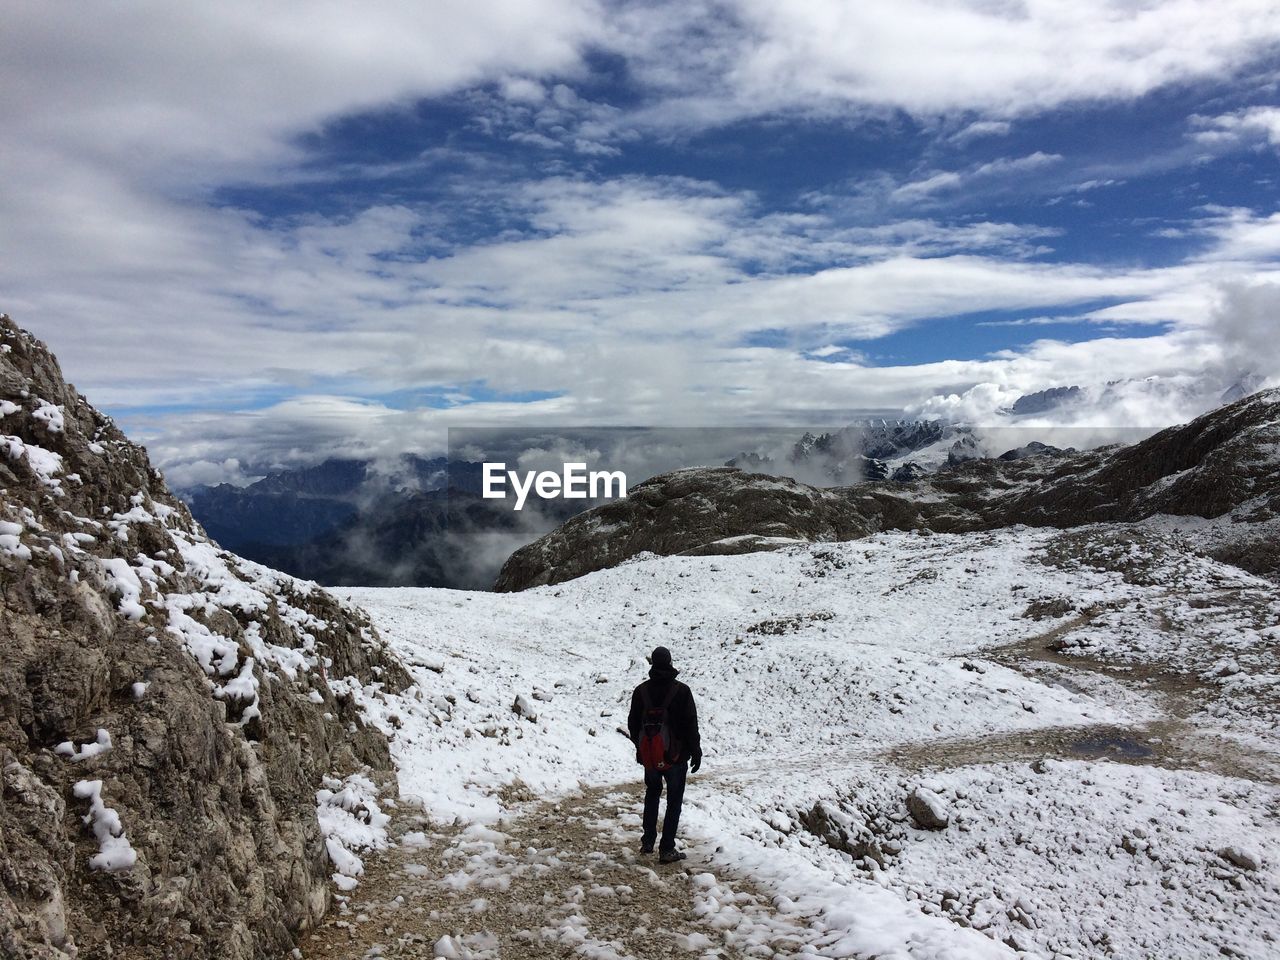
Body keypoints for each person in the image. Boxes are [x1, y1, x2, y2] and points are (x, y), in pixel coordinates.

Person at [627, 645, 702, 863]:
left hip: (651, 757)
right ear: (670, 662)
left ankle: (648, 841)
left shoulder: (641, 691)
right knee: (674, 801)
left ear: (652, 663)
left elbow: (633, 724)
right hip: (676, 758)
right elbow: (691, 725)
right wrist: (695, 751)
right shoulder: (682, 691)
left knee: (652, 794)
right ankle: (667, 848)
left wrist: (644, 746)